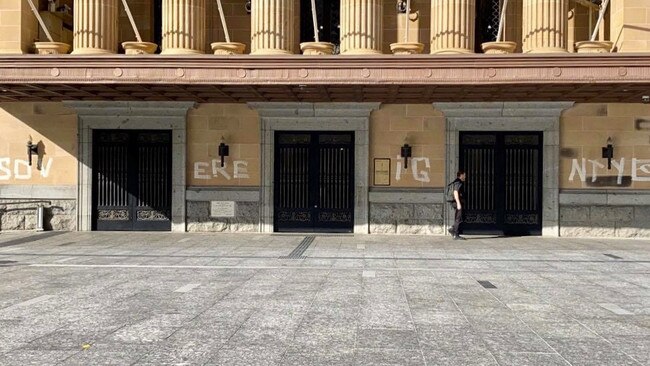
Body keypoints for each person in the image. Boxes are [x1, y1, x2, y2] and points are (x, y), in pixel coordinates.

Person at [448, 170, 466, 240]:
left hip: (456, 202)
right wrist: (458, 203)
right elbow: (455, 192)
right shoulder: (458, 182)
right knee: (458, 218)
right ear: (461, 175)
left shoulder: (457, 182)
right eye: (464, 175)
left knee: (461, 217)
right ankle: (455, 234)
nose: (465, 176)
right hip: (457, 202)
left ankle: (452, 229)